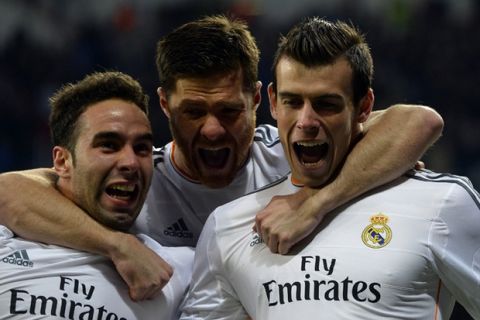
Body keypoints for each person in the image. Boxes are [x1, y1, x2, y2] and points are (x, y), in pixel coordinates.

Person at [0, 15, 443, 300]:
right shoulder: (136, 177)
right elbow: (8, 192)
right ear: (165, 105)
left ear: (257, 99)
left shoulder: (292, 151)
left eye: (229, 111)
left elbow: (417, 123)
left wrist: (313, 204)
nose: (212, 129)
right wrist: (118, 244)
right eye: (194, 112)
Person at [180, 17, 480, 319]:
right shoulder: (228, 226)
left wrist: (313, 203)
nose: (306, 122)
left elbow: (424, 120)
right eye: (292, 102)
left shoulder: (440, 203)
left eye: (326, 104)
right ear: (272, 101)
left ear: (364, 107)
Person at [0, 71, 193, 320]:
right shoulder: (5, 240)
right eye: (109, 145)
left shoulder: (179, 269)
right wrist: (116, 245)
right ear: (62, 161)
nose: (131, 162)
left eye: (142, 148)